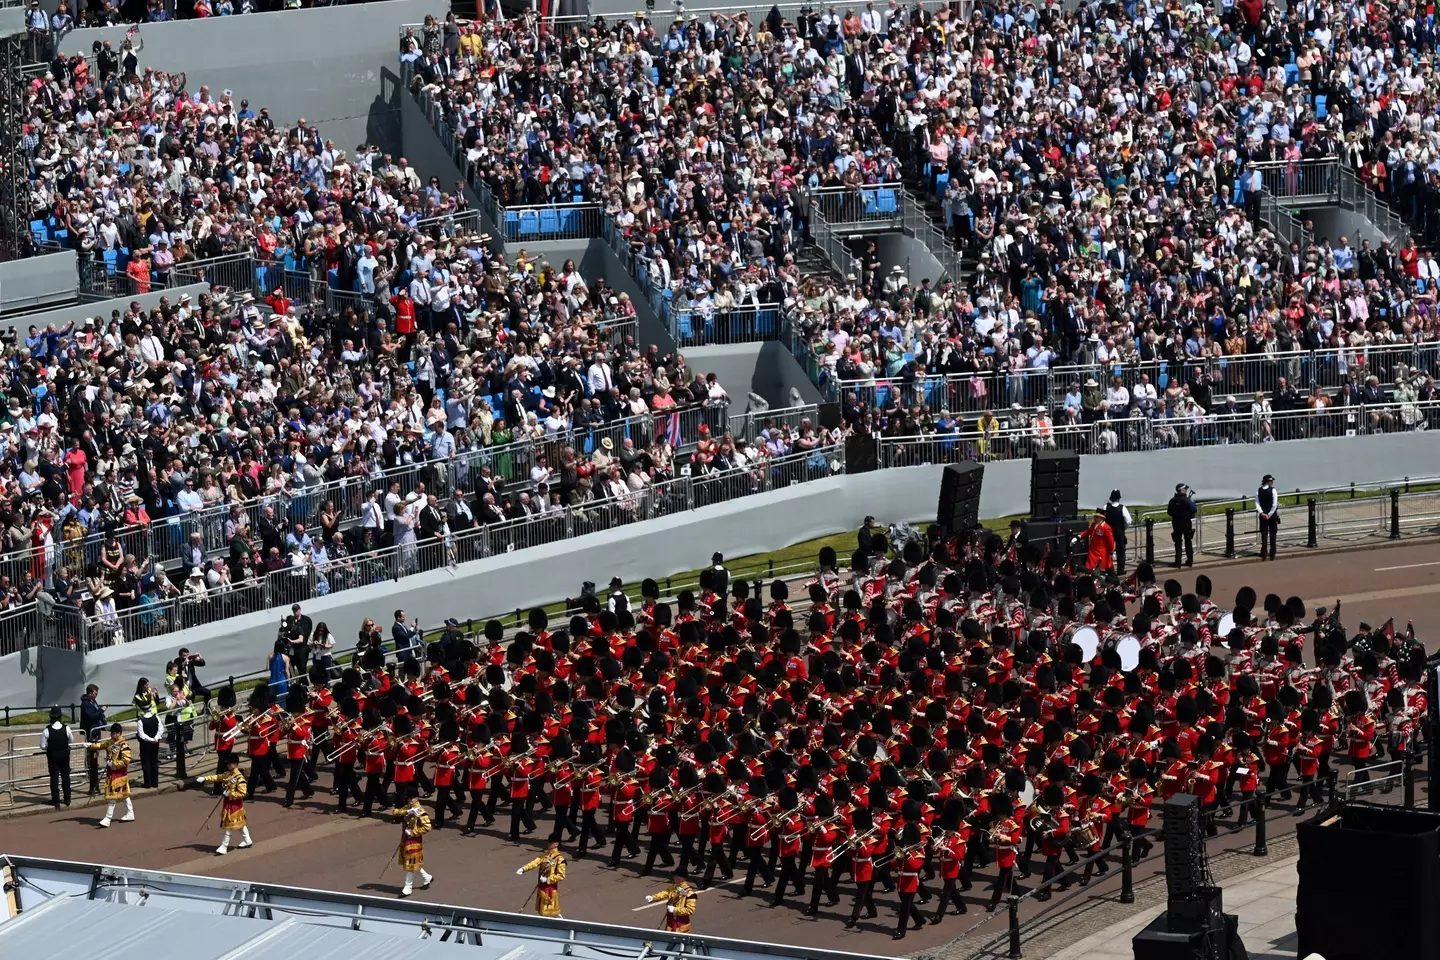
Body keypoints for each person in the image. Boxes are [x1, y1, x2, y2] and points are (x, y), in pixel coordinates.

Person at [194, 759, 252, 855]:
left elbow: (242, 793)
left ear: (236, 764)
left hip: (235, 805)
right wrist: (205, 778)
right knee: (240, 824)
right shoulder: (228, 774)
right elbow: (218, 777)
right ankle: (247, 840)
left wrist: (230, 794)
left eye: (231, 763)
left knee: (228, 826)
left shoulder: (240, 778)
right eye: (228, 764)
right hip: (228, 804)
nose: (229, 765)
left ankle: (224, 846)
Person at [89, 722, 134, 827]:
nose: (111, 735)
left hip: (118, 774)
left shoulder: (124, 744)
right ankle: (130, 813)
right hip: (113, 773)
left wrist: (112, 764)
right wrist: (91, 745)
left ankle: (108, 818)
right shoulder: (111, 741)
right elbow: (102, 745)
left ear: (118, 733)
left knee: (112, 797)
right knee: (124, 795)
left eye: (113, 733)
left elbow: (126, 760)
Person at [395, 794, 435, 898]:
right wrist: (408, 811)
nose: (409, 800)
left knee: (410, 863)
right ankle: (427, 877)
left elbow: (427, 827)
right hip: (405, 839)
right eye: (408, 798)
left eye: (411, 798)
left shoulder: (421, 812)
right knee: (413, 862)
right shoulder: (408, 808)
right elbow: (395, 812)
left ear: (416, 798)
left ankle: (408, 888)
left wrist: (413, 833)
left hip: (414, 841)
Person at [518, 840, 568, 918]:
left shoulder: (560, 860)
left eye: (550, 843)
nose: (548, 844)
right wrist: (524, 868)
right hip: (541, 886)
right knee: (542, 910)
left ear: (556, 844)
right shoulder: (545, 856)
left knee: (549, 910)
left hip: (550, 888)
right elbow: (535, 862)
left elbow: (561, 875)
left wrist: (547, 879)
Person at [39, 705, 73, 809]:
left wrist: (50, 747)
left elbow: (42, 746)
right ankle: (67, 799)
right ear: (60, 717)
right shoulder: (66, 728)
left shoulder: (47, 730)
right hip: (64, 755)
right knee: (65, 777)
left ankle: (56, 801)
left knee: (54, 778)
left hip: (53, 756)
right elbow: (71, 740)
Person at [79, 684, 105, 796]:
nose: (96, 695)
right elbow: (91, 716)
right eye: (95, 693)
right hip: (91, 733)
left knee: (95, 758)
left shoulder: (93, 702)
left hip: (96, 732)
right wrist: (101, 711)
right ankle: (93, 786)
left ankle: (95, 785)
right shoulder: (85, 704)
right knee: (92, 759)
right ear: (90, 693)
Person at [1075, 508, 1116, 575]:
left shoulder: (1106, 528)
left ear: (1101, 518)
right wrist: (1079, 536)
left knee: (1103, 569)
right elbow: (1088, 531)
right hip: (1092, 551)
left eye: (1097, 517)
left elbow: (1110, 541)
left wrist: (1111, 551)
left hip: (1100, 553)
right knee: (1090, 569)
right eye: (1095, 516)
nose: (1095, 518)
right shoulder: (1093, 524)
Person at [135, 697, 165, 788]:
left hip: (145, 744)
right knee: (154, 762)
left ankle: (147, 783)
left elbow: (142, 735)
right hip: (155, 743)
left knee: (146, 763)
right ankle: (155, 783)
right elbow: (161, 729)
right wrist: (155, 738)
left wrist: (150, 739)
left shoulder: (140, 720)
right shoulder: (156, 717)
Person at [1167, 483, 1197, 568]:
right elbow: (1194, 509)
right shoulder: (1187, 500)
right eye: (1185, 489)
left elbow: (1169, 512)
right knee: (1188, 542)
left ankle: (1178, 562)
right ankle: (1190, 561)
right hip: (1186, 523)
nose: (1186, 491)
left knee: (1178, 543)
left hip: (1176, 523)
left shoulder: (1172, 500)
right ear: (1181, 490)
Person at [1103, 489, 1132, 574]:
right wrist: (1124, 528)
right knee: (1121, 551)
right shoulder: (1122, 508)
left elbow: (1101, 519)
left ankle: (1109, 569)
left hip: (1108, 532)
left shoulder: (1105, 507)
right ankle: (1120, 569)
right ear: (1119, 498)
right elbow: (1129, 521)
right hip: (1119, 531)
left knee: (1108, 550)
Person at [1257, 473, 1279, 560]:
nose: (1272, 482)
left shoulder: (1258, 491)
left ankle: (1264, 553)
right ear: (1268, 482)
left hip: (1263, 516)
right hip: (1272, 516)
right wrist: (1269, 514)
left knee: (1264, 534)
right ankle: (1272, 553)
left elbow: (1257, 504)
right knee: (1273, 534)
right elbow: (1274, 505)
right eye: (1271, 481)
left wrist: (1262, 513)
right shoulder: (1273, 491)